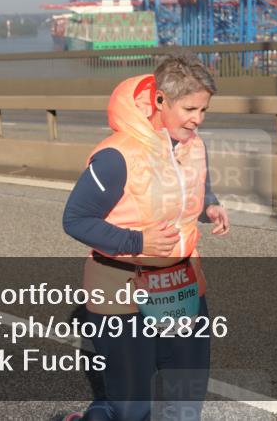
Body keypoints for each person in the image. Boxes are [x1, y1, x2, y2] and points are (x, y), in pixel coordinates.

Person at [62, 54, 230, 421]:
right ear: (159, 102)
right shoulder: (116, 156)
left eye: (204, 110)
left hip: (180, 285)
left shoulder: (193, 146)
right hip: (120, 289)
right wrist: (139, 243)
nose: (197, 120)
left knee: (185, 398)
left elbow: (191, 191)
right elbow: (75, 219)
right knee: (132, 405)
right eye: (189, 109)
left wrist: (210, 206)